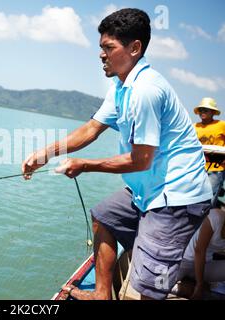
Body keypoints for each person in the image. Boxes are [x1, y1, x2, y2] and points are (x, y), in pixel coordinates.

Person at [22, 8, 212, 300]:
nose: (101, 55)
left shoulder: (146, 91)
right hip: (147, 188)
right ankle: (102, 296)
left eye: (108, 48)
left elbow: (140, 160)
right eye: (101, 48)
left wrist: (85, 164)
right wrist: (47, 152)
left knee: (150, 286)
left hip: (176, 197)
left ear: (135, 48)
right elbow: (91, 129)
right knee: (104, 216)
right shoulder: (121, 85)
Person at [175, 209, 225, 299]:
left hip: (205, 265)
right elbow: (199, 251)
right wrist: (200, 285)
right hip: (184, 261)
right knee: (159, 283)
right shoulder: (215, 216)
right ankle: (182, 287)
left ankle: (192, 284)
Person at [194, 98, 225, 208]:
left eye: (206, 110)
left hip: (216, 168)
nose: (203, 112)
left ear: (213, 112)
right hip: (197, 168)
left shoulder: (221, 125)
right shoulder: (194, 127)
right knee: (193, 198)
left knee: (208, 201)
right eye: (201, 110)